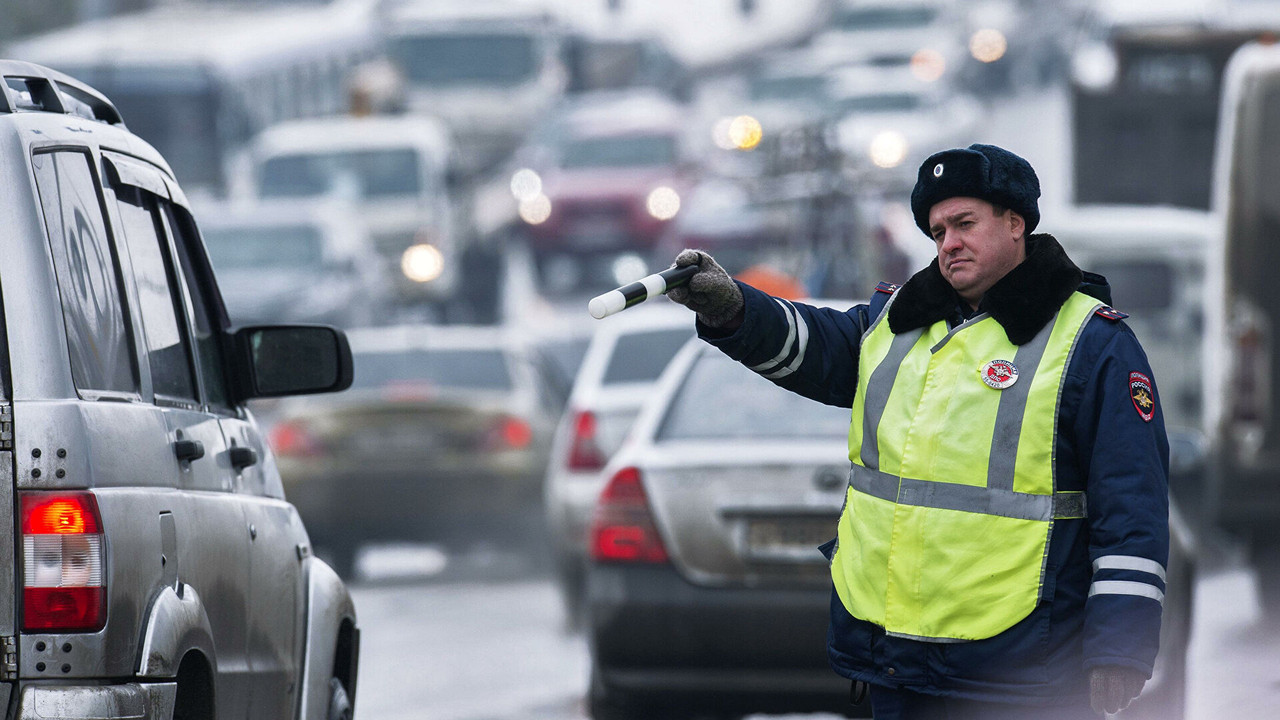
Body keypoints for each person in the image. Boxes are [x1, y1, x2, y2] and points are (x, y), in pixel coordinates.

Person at [665, 144, 1169, 719]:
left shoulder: (1093, 343)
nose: (949, 243)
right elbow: (810, 343)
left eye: (964, 224)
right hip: (897, 659)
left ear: (1015, 223)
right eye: (937, 232)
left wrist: (1120, 648)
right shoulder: (896, 323)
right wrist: (732, 308)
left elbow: (1132, 505)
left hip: (1021, 671)